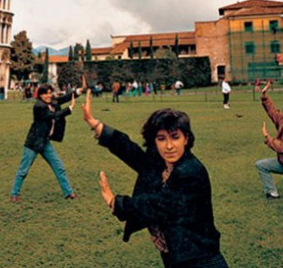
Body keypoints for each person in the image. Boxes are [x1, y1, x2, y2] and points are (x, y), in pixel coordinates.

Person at [81, 91, 228, 268]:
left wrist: (117, 203)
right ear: (154, 141)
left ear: (186, 139)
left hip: (199, 258)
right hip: (176, 255)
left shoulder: (190, 172)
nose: (169, 146)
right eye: (161, 139)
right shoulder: (162, 162)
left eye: (175, 137)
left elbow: (157, 206)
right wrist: (96, 125)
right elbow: (132, 152)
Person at [10, 84, 80, 202]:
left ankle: (68, 193)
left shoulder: (51, 102)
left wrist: (77, 92)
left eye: (50, 93)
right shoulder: (39, 106)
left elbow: (62, 99)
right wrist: (69, 109)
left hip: (45, 142)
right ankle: (14, 193)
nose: (48, 96)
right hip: (34, 143)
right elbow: (52, 115)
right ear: (40, 95)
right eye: (45, 93)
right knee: (23, 170)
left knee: (59, 167)